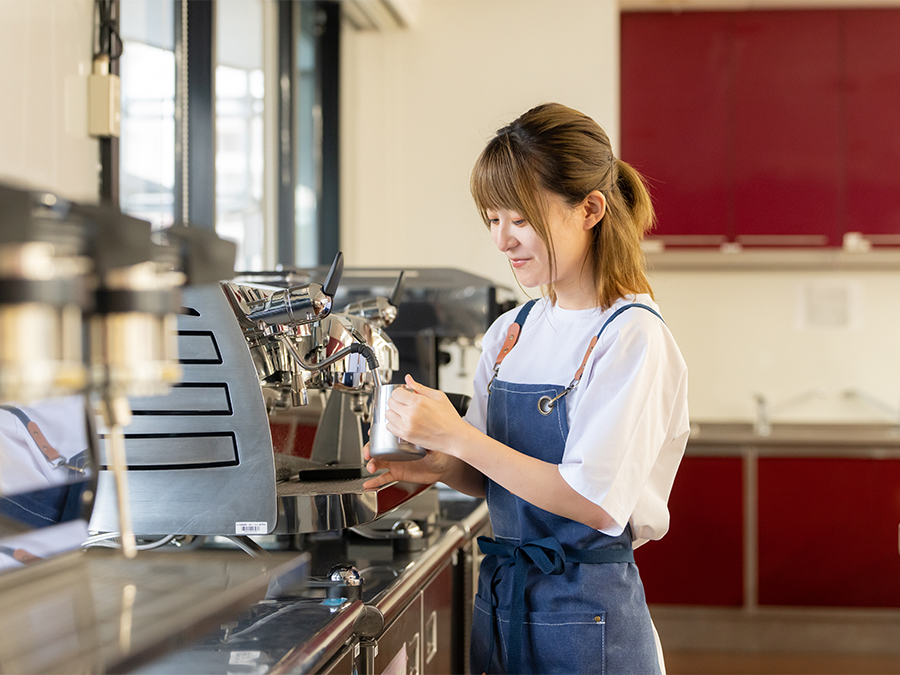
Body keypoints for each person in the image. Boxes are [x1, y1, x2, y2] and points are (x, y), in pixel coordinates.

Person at [363, 102, 689, 675]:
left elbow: (592, 501)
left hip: (589, 620)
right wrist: (442, 462)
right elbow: (494, 478)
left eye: (519, 219)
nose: (503, 240)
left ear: (590, 209)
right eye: (492, 219)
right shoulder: (513, 331)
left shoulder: (631, 335)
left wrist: (461, 437)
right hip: (504, 606)